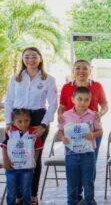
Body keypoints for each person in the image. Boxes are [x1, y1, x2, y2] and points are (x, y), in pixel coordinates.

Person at [4, 47, 58, 204]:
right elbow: (9, 101)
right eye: (26, 57)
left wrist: (43, 125)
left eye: (34, 56)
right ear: (23, 59)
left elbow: (53, 105)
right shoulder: (16, 78)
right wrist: (8, 122)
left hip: (37, 119)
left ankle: (33, 194)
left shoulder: (48, 79)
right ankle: (20, 195)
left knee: (34, 156)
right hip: (17, 118)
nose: (30, 60)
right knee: (17, 153)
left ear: (40, 58)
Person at [58, 59, 108, 202]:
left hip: (91, 131)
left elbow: (105, 104)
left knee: (89, 164)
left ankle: (88, 198)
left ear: (90, 70)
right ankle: (76, 196)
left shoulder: (97, 86)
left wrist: (101, 113)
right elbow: (61, 106)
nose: (81, 71)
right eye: (78, 68)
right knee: (74, 165)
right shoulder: (66, 87)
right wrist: (59, 116)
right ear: (73, 71)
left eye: (85, 68)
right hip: (71, 134)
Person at [58, 87, 103, 205]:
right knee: (72, 183)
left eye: (86, 100)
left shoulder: (93, 115)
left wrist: (93, 134)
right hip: (71, 154)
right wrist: (62, 138)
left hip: (88, 155)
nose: (83, 102)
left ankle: (89, 202)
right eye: (80, 99)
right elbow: (60, 131)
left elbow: (100, 131)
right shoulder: (65, 116)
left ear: (90, 101)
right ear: (73, 99)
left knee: (88, 183)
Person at [1, 109, 43, 205]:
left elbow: (37, 148)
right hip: (11, 168)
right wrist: (5, 161)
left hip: (27, 168)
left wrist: (34, 161)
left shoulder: (34, 133)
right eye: (19, 121)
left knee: (26, 191)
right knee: (11, 192)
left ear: (30, 120)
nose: (23, 124)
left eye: (26, 120)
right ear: (13, 122)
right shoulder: (9, 132)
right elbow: (4, 147)